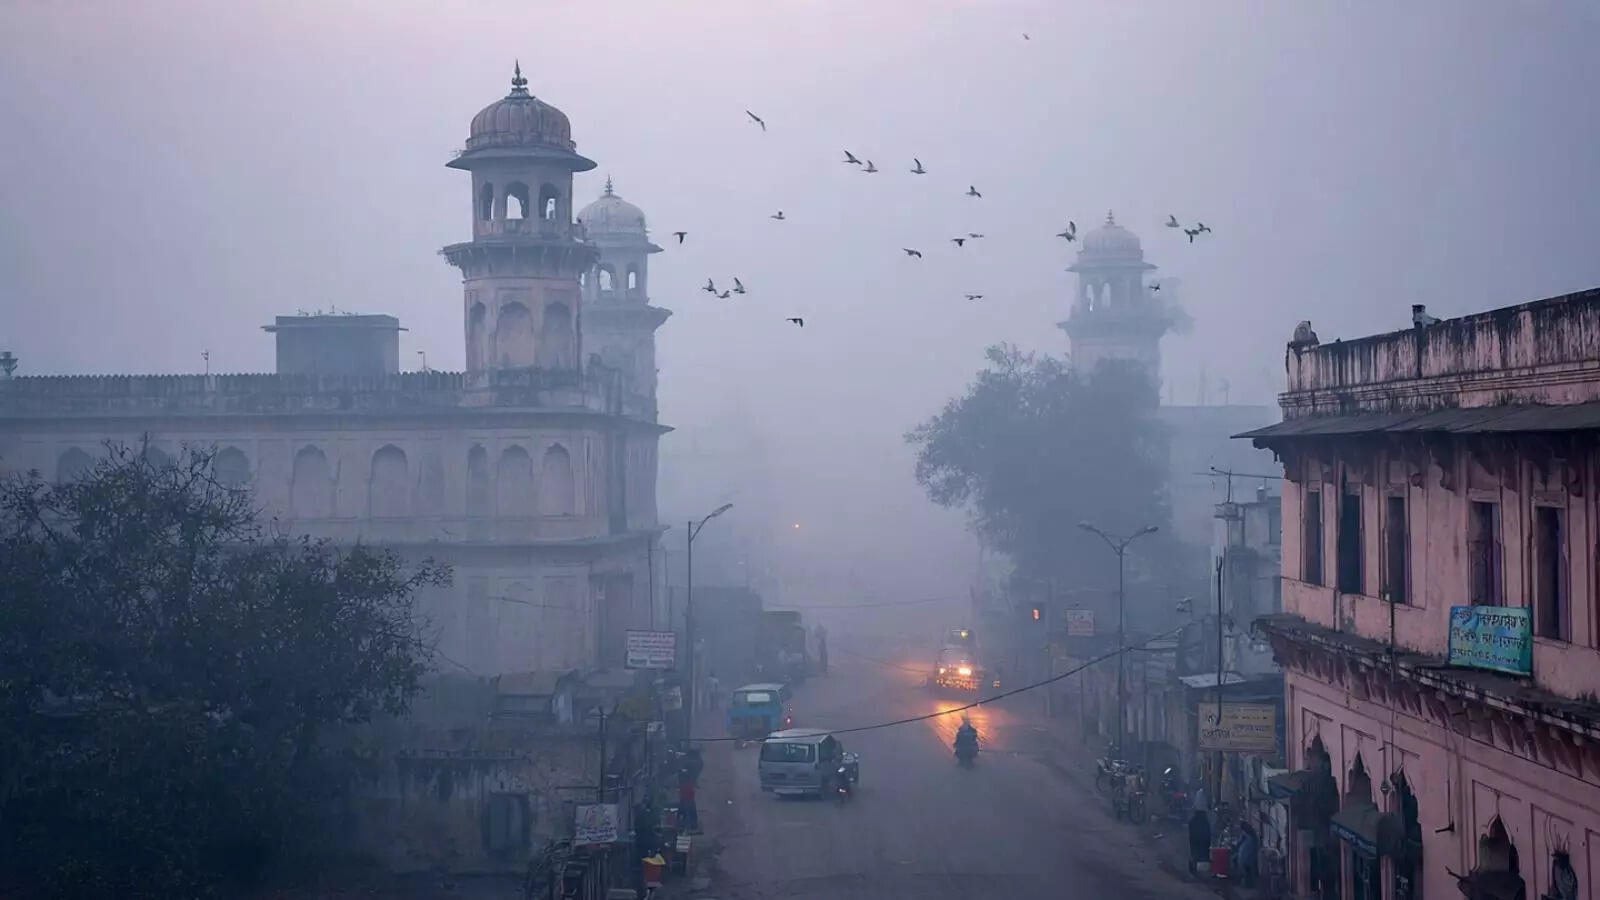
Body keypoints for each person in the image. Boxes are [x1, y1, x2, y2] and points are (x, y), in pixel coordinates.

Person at [1188, 809, 1212, 878]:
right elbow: (1208, 833)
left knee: (1195, 853)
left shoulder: (1192, 821)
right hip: (1203, 841)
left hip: (1195, 841)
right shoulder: (1205, 822)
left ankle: (1195, 866)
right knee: (1202, 853)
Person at [677, 767, 699, 834]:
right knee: (690, 813)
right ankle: (692, 826)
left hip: (686, 801)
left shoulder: (684, 784)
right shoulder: (687, 784)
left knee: (682, 813)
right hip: (688, 801)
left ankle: (681, 825)